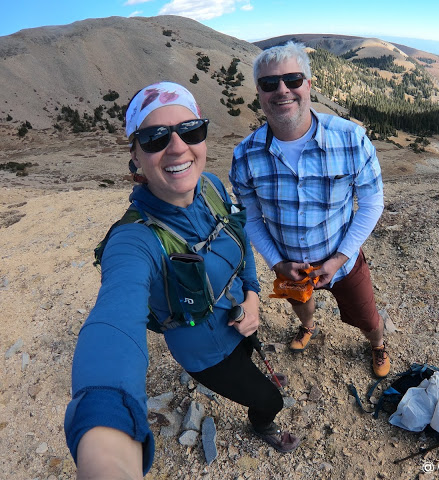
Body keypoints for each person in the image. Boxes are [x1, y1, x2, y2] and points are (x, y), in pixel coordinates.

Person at [64, 82, 299, 480]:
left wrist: (254, 295)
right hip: (204, 351)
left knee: (251, 351)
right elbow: (114, 321)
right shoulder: (135, 240)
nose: (177, 147)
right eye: (154, 138)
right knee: (269, 398)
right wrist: (105, 437)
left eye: (190, 130)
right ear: (135, 156)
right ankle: (263, 423)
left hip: (242, 313)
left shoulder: (210, 187)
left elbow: (238, 236)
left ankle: (253, 368)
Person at [229, 42, 390, 378]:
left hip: (343, 262)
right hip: (290, 267)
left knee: (366, 316)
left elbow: (372, 202)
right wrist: (276, 262)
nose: (282, 90)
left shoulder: (351, 139)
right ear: (259, 92)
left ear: (309, 85)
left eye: (293, 79)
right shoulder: (245, 155)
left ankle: (377, 345)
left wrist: (340, 258)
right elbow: (250, 218)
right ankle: (309, 327)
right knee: (300, 303)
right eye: (270, 83)